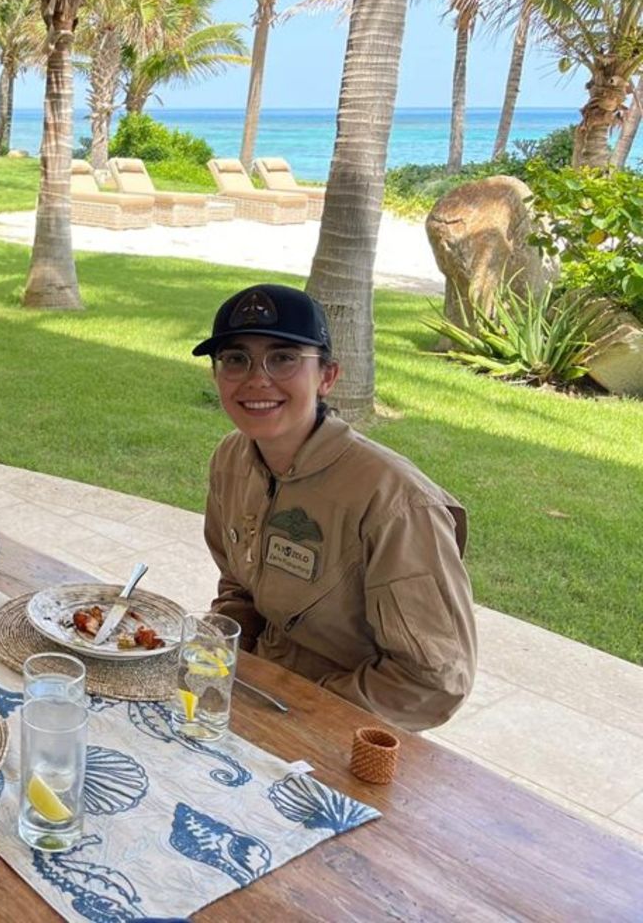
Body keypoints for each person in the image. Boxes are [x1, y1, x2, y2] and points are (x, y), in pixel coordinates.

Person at [194, 283, 476, 730]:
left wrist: (307, 713)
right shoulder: (232, 458)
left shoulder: (395, 502)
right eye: (235, 359)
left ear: (327, 376)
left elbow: (434, 679)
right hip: (256, 696)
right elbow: (239, 586)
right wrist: (215, 660)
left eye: (283, 357)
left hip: (343, 725)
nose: (256, 378)